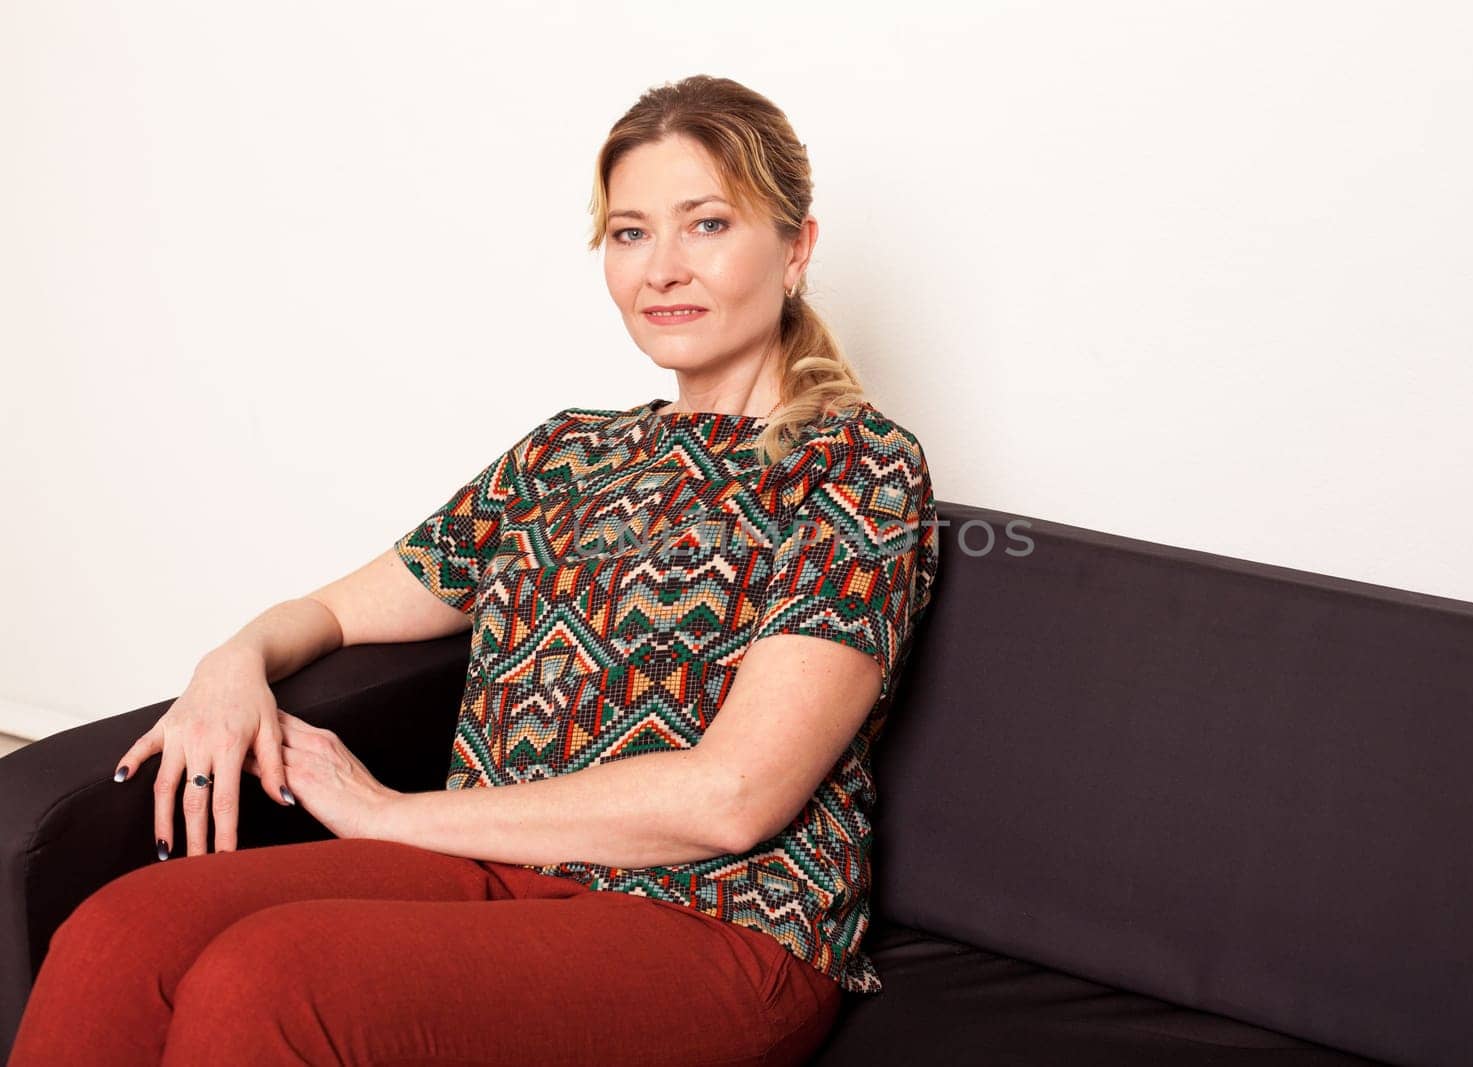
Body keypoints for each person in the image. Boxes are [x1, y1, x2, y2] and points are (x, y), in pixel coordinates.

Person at [6, 73, 939, 1067]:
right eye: (629, 234)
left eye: (705, 224)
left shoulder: (856, 467)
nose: (662, 268)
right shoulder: (565, 453)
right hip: (493, 873)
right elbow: (329, 610)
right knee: (121, 932)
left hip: (720, 923)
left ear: (795, 247)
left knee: (271, 979)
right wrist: (228, 665)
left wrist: (389, 813)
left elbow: (734, 795)